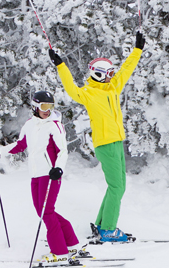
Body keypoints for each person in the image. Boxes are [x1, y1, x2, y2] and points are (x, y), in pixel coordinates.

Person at [49, 32, 145, 243]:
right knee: (117, 187)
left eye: (112, 72)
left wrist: (137, 50)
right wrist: (61, 65)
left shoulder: (112, 89)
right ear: (99, 74)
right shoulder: (89, 94)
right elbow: (71, 88)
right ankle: (108, 230)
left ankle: (102, 224)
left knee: (119, 186)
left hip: (117, 142)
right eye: (108, 73)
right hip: (106, 144)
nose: (112, 75)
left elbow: (126, 70)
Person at [0, 91, 78, 264]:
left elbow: (62, 151)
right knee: (41, 210)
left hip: (50, 174)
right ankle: (70, 242)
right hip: (35, 174)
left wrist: (58, 168)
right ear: (35, 106)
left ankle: (60, 252)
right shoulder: (29, 125)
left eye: (50, 106)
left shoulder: (54, 126)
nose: (47, 110)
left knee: (46, 211)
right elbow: (20, 145)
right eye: (43, 106)